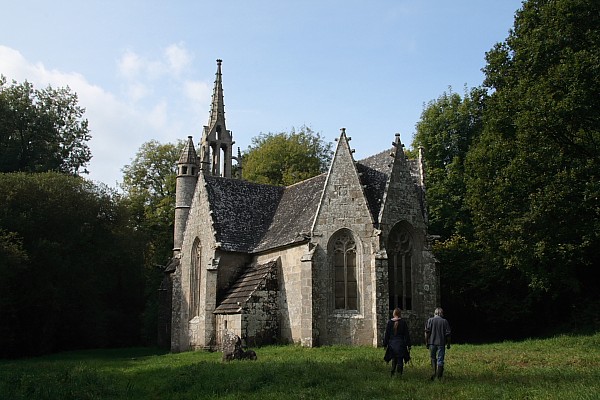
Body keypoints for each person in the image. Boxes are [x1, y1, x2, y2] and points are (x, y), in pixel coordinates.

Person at [425, 307, 452, 380]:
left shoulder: (430, 320)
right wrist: (448, 344)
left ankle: (434, 373)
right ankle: (439, 376)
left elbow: (427, 333)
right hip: (441, 343)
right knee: (440, 359)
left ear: (435, 313)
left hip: (432, 343)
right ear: (441, 313)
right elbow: (448, 334)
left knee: (433, 358)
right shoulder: (444, 321)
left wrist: (426, 342)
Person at [383, 308, 411, 377]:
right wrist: (409, 345)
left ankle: (392, 373)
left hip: (392, 344)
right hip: (401, 344)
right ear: (400, 314)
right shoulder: (403, 322)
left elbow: (387, 334)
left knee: (394, 359)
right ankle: (399, 374)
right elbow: (406, 334)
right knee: (400, 360)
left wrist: (385, 344)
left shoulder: (390, 322)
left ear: (394, 314)